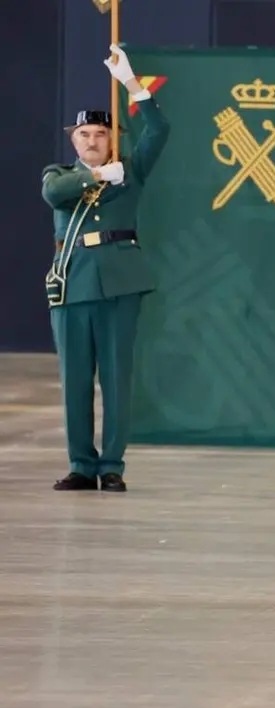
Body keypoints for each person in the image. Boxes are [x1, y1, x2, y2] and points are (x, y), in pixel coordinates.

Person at [42, 43, 170, 493]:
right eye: (84, 135)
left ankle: (111, 463)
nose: (92, 141)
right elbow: (54, 195)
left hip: (119, 283)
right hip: (73, 283)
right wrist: (96, 177)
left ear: (111, 139)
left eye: (100, 134)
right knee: (74, 379)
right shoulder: (59, 174)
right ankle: (81, 463)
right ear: (73, 141)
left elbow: (159, 129)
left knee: (115, 379)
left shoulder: (130, 171)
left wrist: (132, 85)